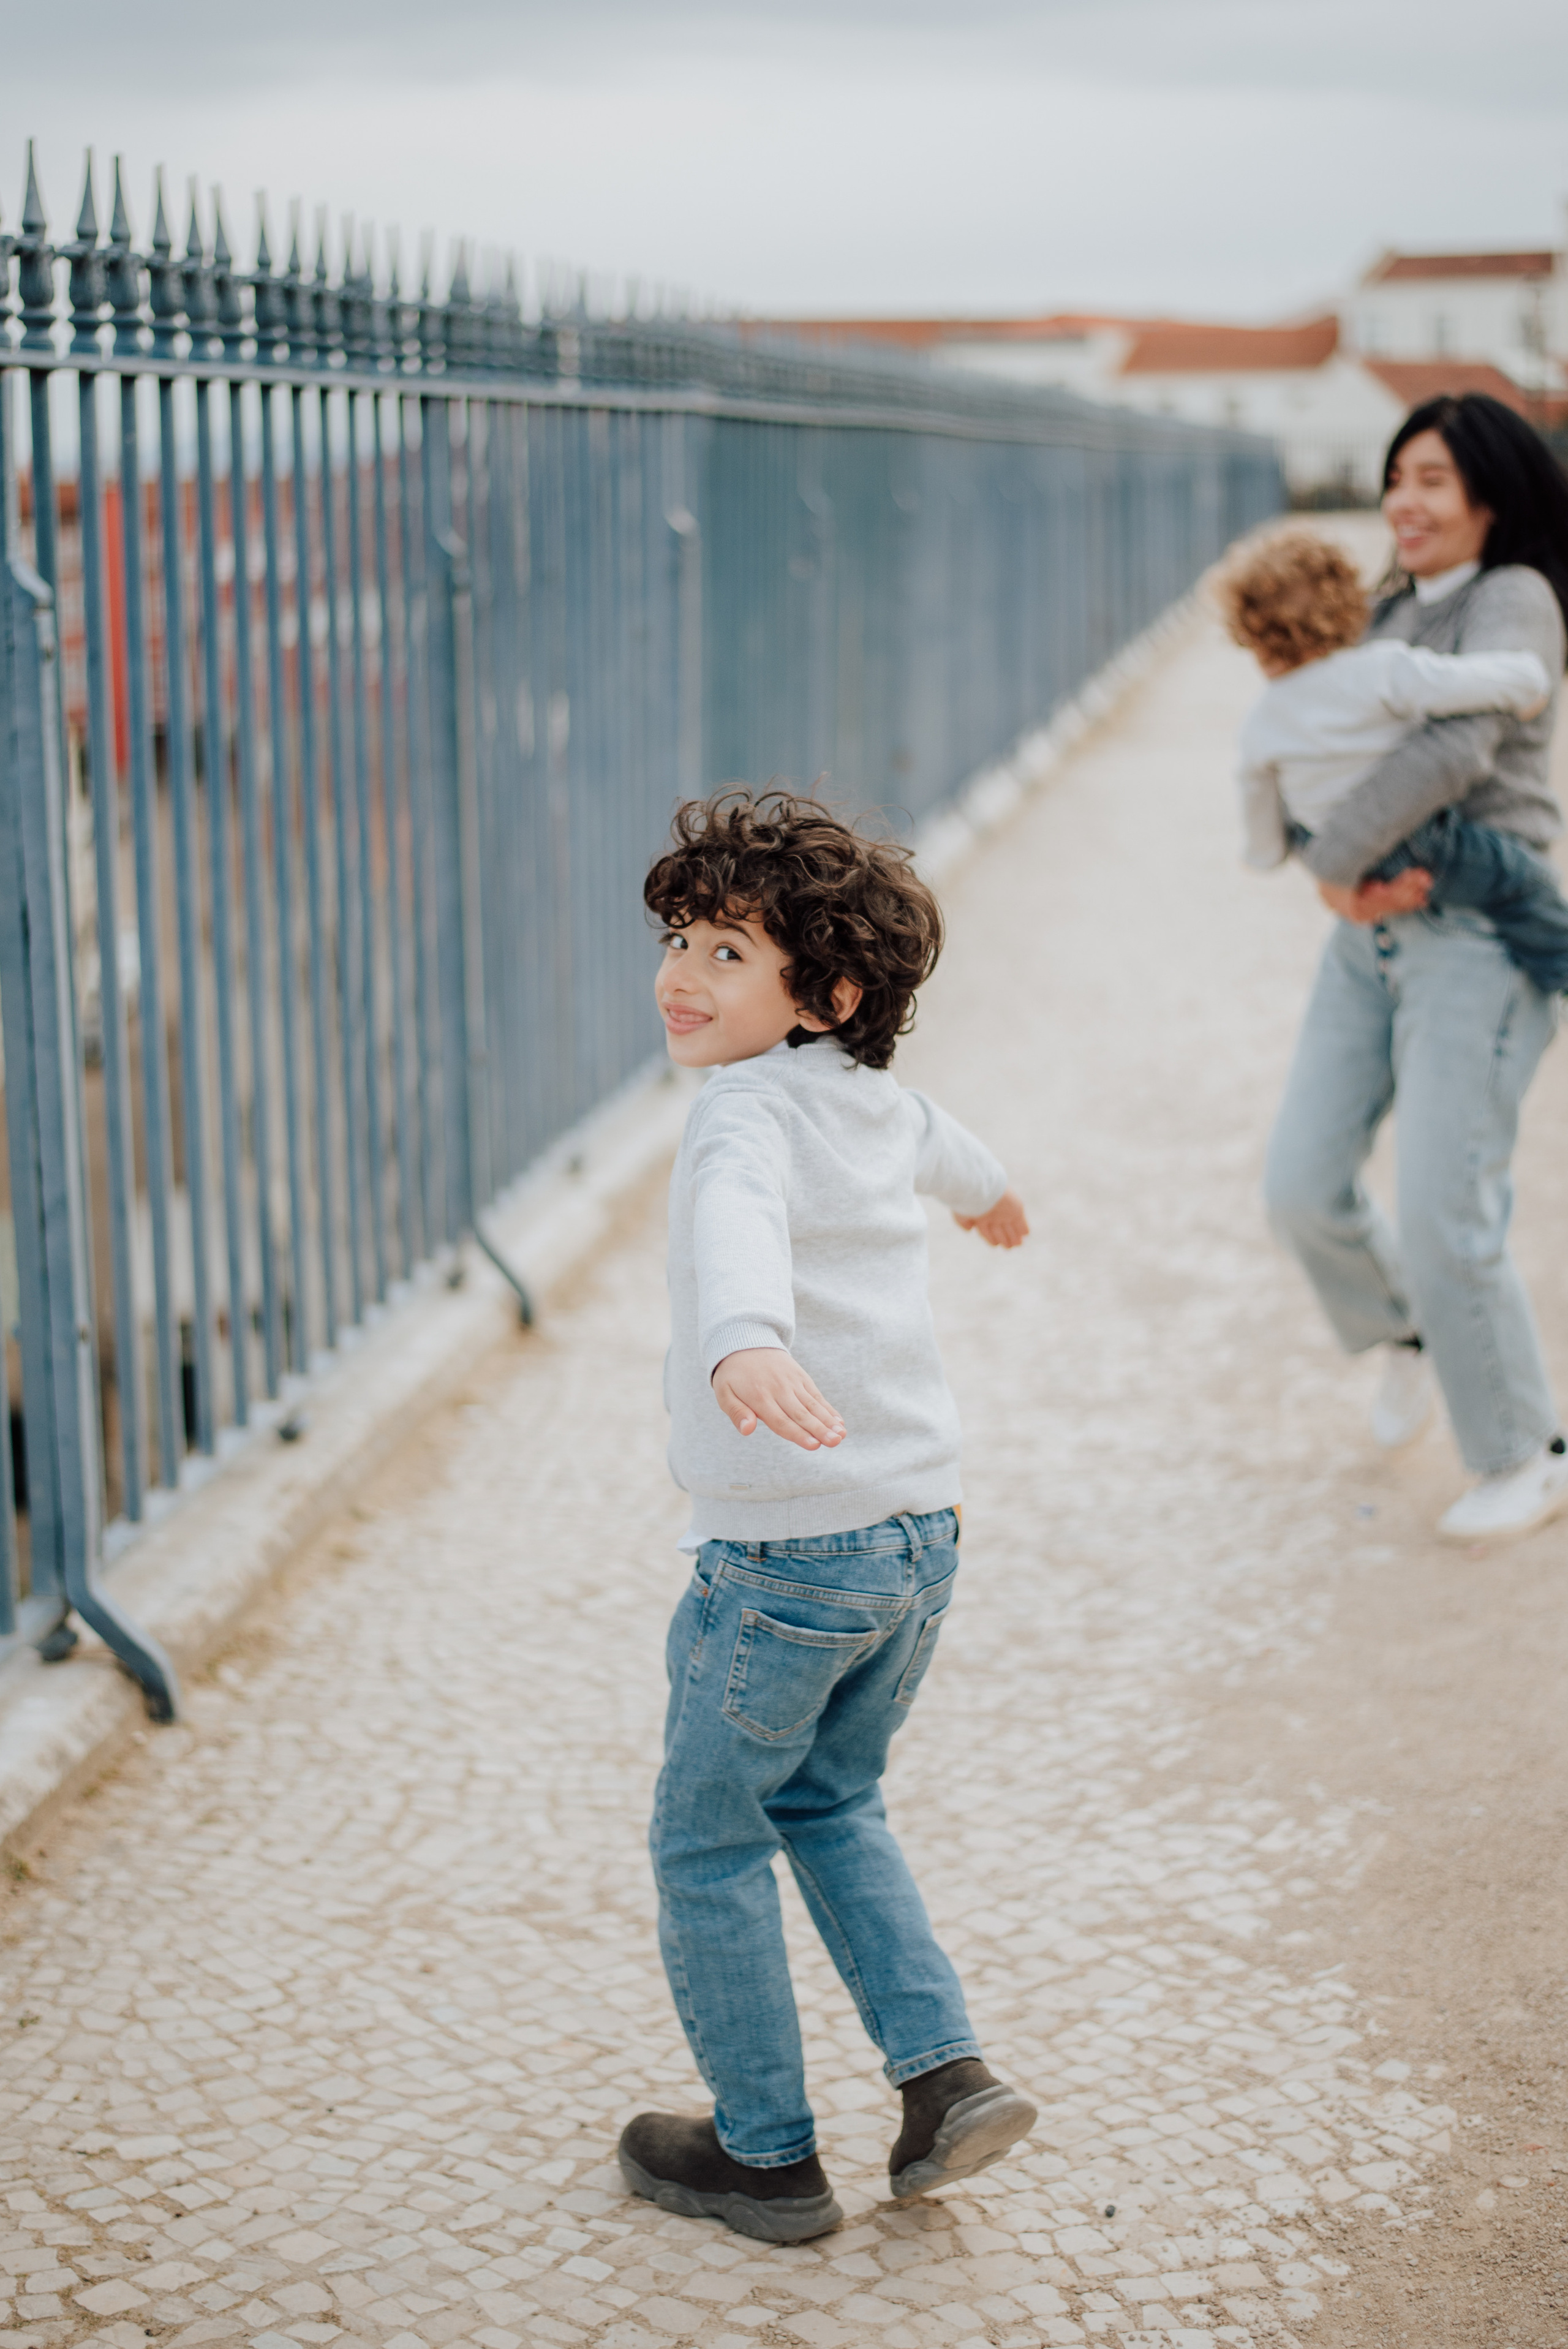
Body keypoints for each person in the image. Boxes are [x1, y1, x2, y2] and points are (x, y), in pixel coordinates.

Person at [618, 788, 1038, 2245]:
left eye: (726, 952)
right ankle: (943, 2075)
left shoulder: (739, 1112)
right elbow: (942, 1139)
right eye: (679, 939)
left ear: (828, 997)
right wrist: (991, 1192)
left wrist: (742, 1337)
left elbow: (734, 1219)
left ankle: (765, 2155)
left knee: (707, 1840)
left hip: (785, 1553)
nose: (681, 975)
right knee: (831, 1799)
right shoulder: (870, 1096)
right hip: (917, 1537)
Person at [1262, 394, 1568, 1542]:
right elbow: (1315, 738)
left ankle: (1526, 1451)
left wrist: (1328, 863)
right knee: (1301, 1185)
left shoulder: (1514, 598)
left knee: (1447, 1211)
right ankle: (1410, 1330)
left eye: (1433, 479)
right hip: (1369, 939)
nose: (1406, 500)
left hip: (1478, 942)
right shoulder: (1390, 605)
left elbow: (1456, 747)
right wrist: (1329, 872)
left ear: (1492, 493)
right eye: (1398, 477)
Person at [1221, 530, 1564, 990]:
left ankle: (1384, 901)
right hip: (1416, 838)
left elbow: (1257, 798)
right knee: (1522, 885)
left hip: (1333, 845)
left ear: (1252, 637)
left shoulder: (1261, 720)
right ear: (1347, 609)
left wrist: (1265, 855)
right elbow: (1458, 683)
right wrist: (1526, 682)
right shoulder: (1379, 670)